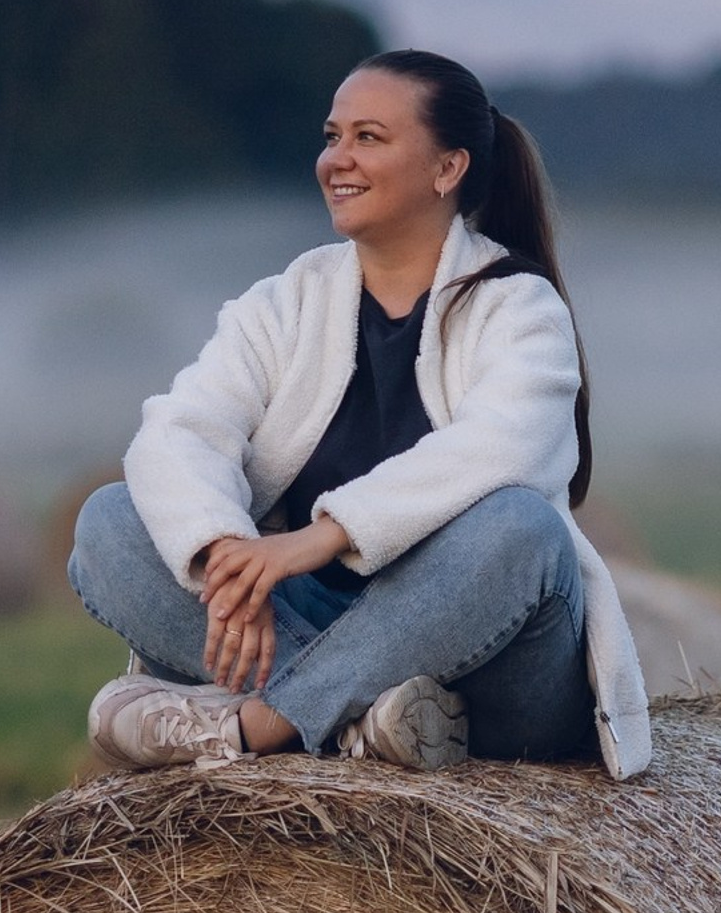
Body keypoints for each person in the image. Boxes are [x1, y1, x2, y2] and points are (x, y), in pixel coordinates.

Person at [66, 50, 650, 778]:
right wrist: (227, 557)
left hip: (491, 665)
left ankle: (260, 725)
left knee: (520, 529)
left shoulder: (518, 307)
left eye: (368, 138)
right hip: (301, 624)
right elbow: (178, 432)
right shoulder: (283, 303)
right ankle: (361, 724)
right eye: (332, 135)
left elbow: (501, 448)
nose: (336, 159)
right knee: (109, 523)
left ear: (448, 169)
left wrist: (314, 540)